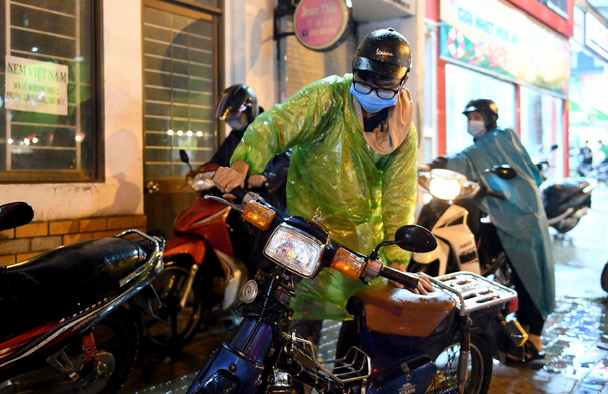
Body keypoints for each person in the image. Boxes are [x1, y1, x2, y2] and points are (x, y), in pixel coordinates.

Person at [213, 28, 434, 353]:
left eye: (384, 87)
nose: (372, 94)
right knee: (298, 315)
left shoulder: (403, 133)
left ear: (403, 81)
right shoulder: (328, 97)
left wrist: (397, 261)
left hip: (361, 238)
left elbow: (398, 197)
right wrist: (243, 164)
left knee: (359, 318)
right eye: (364, 83)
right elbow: (277, 124)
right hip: (307, 230)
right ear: (355, 72)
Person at [423, 99, 555, 362]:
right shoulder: (478, 147)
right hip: (501, 213)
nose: (473, 121)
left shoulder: (501, 137)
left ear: (490, 117)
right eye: (469, 116)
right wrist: (432, 166)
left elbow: (474, 161)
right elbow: (463, 162)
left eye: (477, 116)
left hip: (522, 215)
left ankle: (534, 332)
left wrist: (445, 162)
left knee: (528, 273)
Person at [206, 84, 290, 211]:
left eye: (234, 117)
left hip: (269, 199)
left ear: (249, 111)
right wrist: (205, 171)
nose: (231, 122)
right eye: (228, 119)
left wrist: (266, 177)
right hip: (242, 198)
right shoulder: (235, 135)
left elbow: (286, 161)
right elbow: (219, 158)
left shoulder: (269, 128)